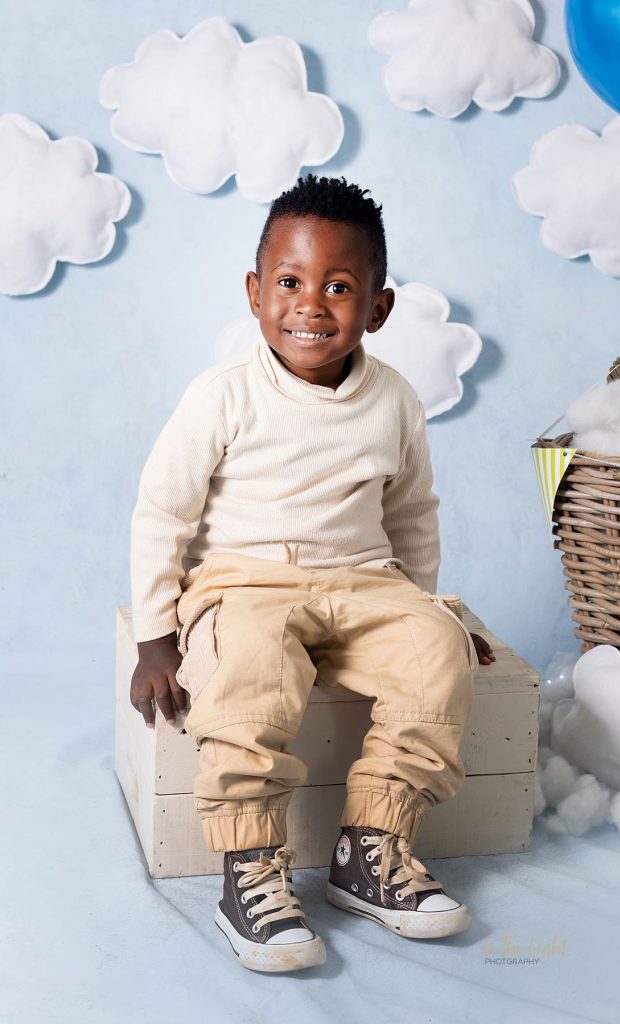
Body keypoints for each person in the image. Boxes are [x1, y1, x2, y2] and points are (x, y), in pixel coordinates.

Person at [129, 174, 495, 974]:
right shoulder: (223, 395)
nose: (310, 305)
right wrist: (157, 636)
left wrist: (431, 608)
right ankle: (250, 868)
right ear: (256, 293)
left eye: (338, 287)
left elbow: (411, 513)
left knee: (436, 652)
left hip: (364, 581)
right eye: (289, 283)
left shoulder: (393, 400)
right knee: (250, 673)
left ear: (378, 308)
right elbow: (163, 513)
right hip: (245, 580)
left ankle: (372, 848)